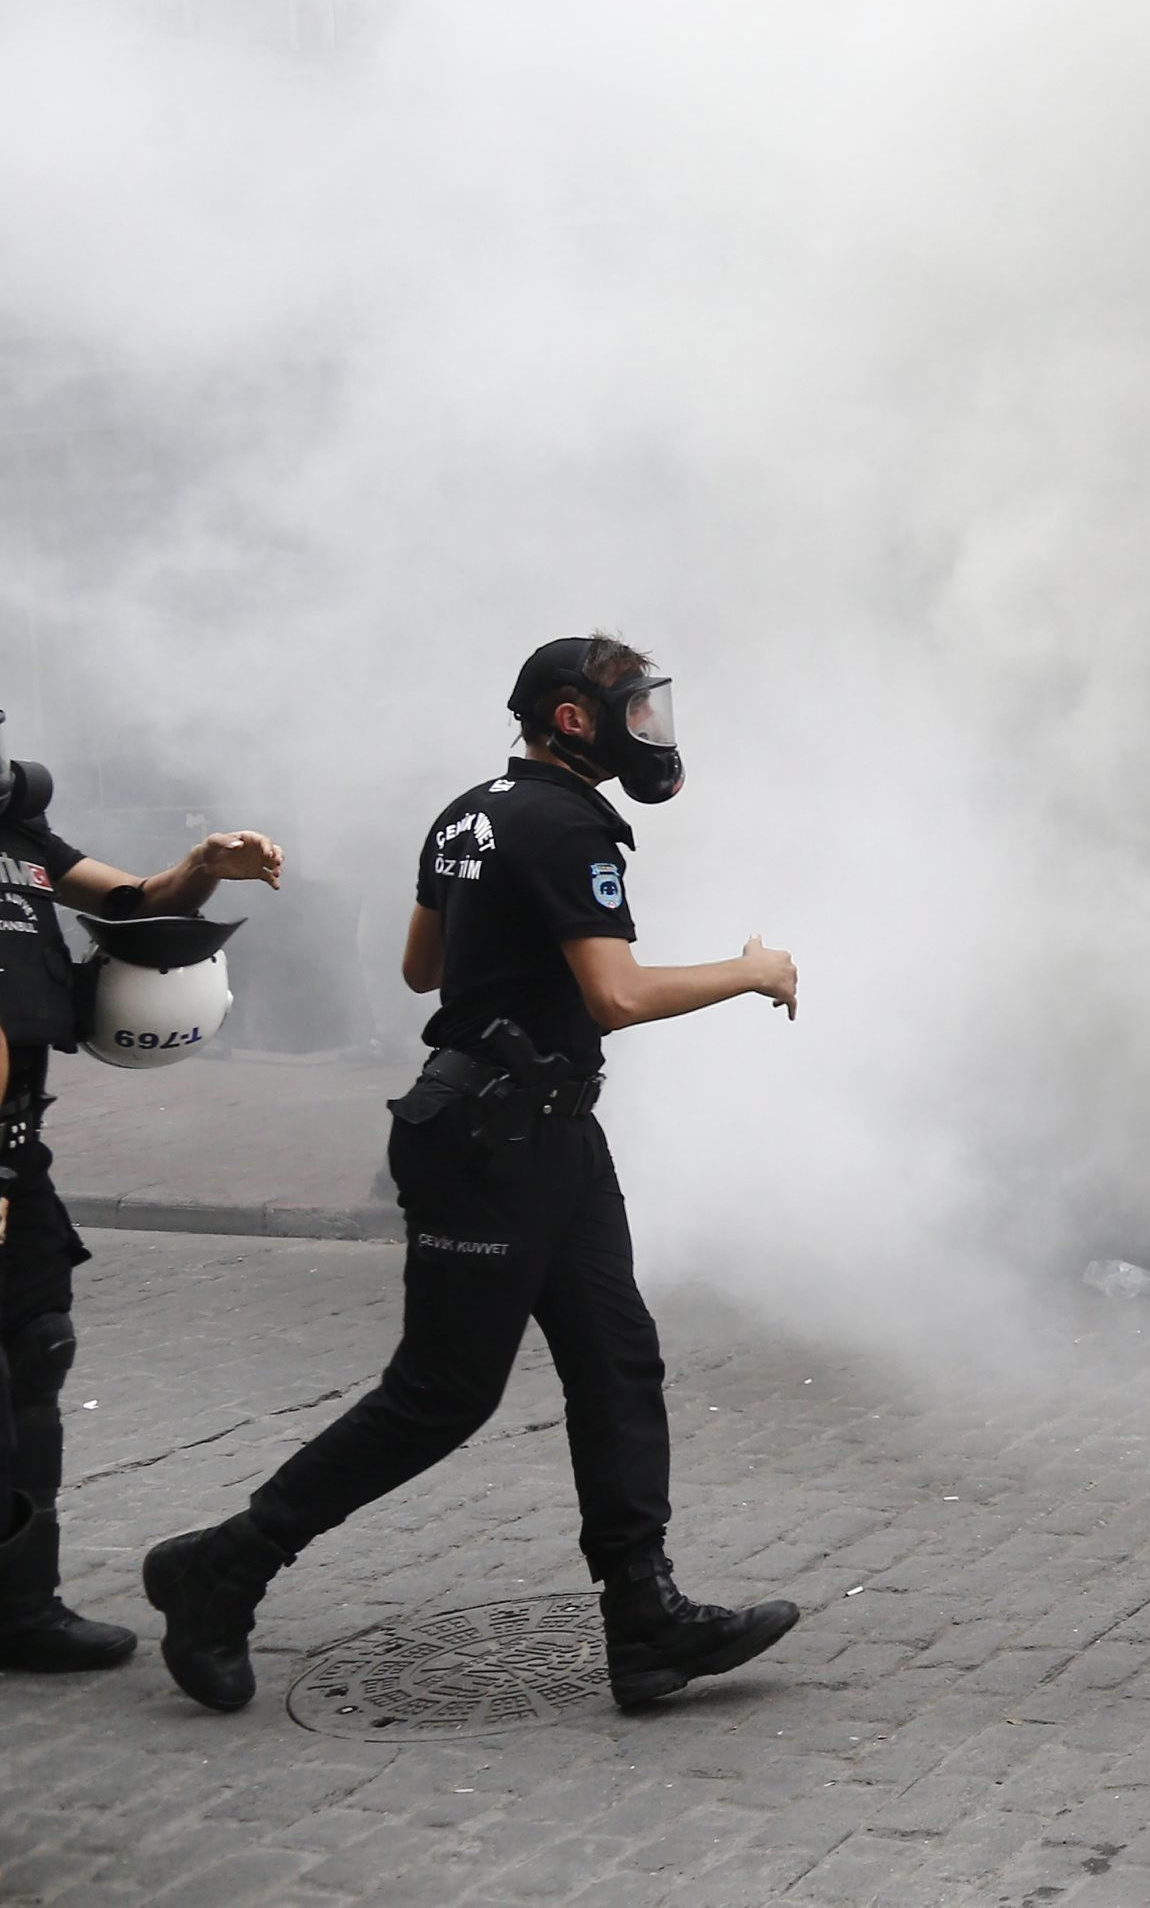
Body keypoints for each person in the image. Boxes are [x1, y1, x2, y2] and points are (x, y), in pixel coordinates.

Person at [141, 637, 803, 1717]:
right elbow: (617, 996)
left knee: (617, 1362)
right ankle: (223, 1566)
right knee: (441, 1396)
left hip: (545, 1130)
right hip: (494, 1142)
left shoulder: (466, 810)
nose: (654, 730)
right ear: (575, 718)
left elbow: (422, 967)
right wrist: (752, 970)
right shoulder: (569, 821)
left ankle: (644, 1623)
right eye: (634, 710)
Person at [0, 719, 285, 1675]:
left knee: (35, 1348)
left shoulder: (20, 834)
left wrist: (206, 863)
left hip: (14, 1143)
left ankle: (19, 1608)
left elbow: (135, 899)